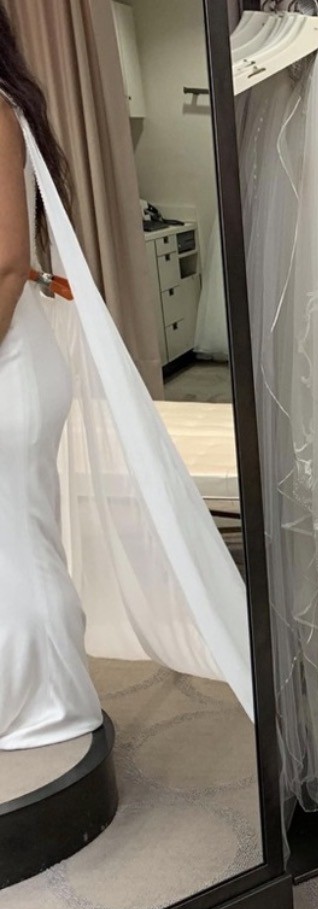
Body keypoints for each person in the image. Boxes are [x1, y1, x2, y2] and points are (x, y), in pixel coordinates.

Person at [0, 9, 104, 750]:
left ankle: (47, 702)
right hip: (13, 346)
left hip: (7, 356)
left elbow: (8, 262)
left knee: (17, 539)